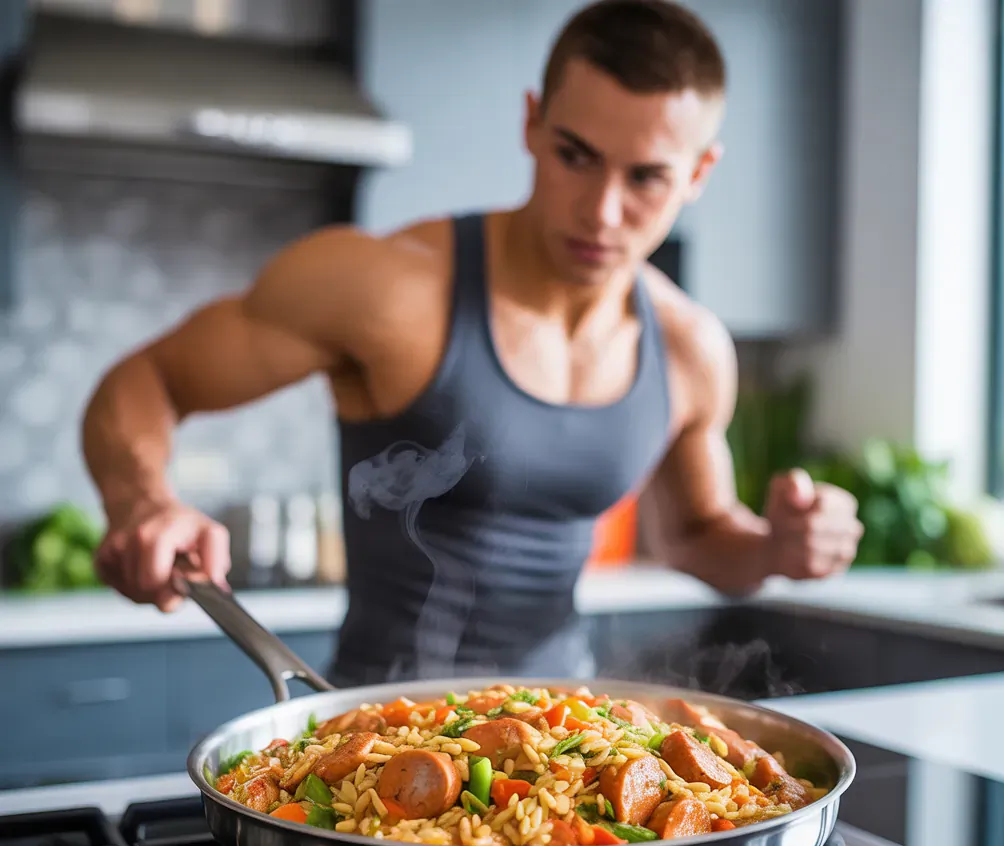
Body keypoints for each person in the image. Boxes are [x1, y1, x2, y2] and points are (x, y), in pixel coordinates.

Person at [81, 0, 863, 687]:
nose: (601, 211)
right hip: (377, 741)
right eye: (575, 155)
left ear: (698, 173)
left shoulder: (691, 349)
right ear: (531, 123)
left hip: (562, 747)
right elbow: (149, 380)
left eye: (645, 178)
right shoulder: (390, 288)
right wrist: (142, 502)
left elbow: (696, 534)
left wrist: (777, 550)